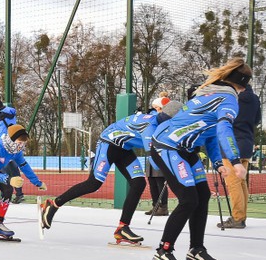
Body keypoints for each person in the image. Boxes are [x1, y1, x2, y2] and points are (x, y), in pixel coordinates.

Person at [149, 58, 251, 260]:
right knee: (188, 199)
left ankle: (196, 250)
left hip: (185, 149)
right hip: (168, 146)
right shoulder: (229, 99)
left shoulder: (207, 93)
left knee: (202, 196)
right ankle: (163, 251)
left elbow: (211, 134)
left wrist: (217, 162)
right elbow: (224, 129)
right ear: (242, 85)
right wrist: (233, 160)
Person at [40, 100, 183, 244]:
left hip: (124, 147)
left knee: (139, 183)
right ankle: (53, 204)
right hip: (108, 143)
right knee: (94, 183)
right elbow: (154, 159)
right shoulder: (150, 128)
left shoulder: (158, 118)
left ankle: (123, 228)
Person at [218, 83, 261, 229]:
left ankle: (237, 217)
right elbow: (257, 120)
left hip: (231, 143)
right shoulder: (255, 99)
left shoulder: (232, 99)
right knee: (241, 182)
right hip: (247, 143)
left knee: (233, 182)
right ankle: (241, 216)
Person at [144, 94, 171, 216]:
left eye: (156, 108)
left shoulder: (164, 118)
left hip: (160, 151)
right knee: (152, 180)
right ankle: (155, 205)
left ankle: (163, 207)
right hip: (151, 151)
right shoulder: (154, 117)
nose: (154, 110)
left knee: (160, 180)